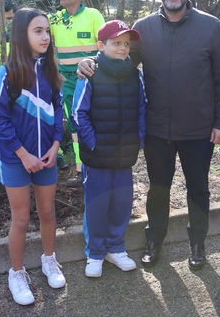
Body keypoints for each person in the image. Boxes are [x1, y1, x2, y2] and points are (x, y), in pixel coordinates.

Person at [79, 0, 220, 270]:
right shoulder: (144, 28)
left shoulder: (211, 26)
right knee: (158, 188)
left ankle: (197, 244)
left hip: (199, 128)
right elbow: (120, 60)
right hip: (156, 129)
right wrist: (90, 61)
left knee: (198, 188)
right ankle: (154, 241)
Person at [0, 8, 66, 306]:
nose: (45, 36)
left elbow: (59, 109)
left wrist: (56, 143)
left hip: (46, 157)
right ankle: (17, 273)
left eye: (47, 31)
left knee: (47, 214)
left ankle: (49, 260)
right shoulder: (5, 74)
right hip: (15, 159)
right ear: (22, 35)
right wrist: (23, 154)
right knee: (20, 220)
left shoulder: (50, 71)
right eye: (38, 31)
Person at [71, 20, 147, 278]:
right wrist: (94, 143)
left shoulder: (135, 75)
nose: (123, 48)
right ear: (101, 46)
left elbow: (142, 111)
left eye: (126, 44)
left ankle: (115, 248)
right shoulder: (90, 74)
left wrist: (138, 140)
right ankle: (95, 253)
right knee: (97, 205)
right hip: (97, 156)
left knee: (121, 204)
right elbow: (78, 114)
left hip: (124, 154)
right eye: (116, 43)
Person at [49, 0, 105, 185]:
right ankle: (82, 170)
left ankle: (100, 166)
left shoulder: (93, 15)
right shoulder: (55, 19)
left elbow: (104, 45)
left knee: (95, 120)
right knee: (74, 124)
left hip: (91, 80)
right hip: (67, 81)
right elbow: (32, 32)